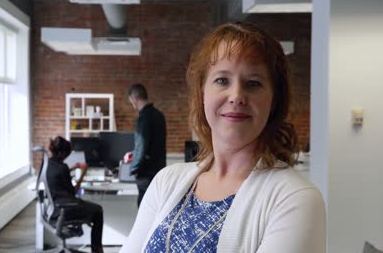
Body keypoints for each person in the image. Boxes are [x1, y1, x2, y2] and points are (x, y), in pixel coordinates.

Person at [121, 22, 326, 253]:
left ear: (274, 100)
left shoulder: (294, 199)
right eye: (222, 80)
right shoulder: (167, 182)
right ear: (202, 93)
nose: (237, 96)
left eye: (253, 83)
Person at [47, 136, 104, 253]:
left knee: (93, 208)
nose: (67, 157)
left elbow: (57, 174)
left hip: (53, 208)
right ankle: (97, 249)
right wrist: (83, 173)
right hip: (66, 209)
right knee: (98, 210)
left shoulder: (47, 163)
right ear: (62, 153)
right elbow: (73, 192)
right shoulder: (62, 167)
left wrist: (73, 168)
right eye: (67, 155)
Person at [127, 83, 167, 207]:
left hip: (145, 173)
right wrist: (133, 153)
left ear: (135, 98)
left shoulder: (143, 118)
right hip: (158, 170)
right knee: (155, 209)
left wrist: (133, 168)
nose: (133, 105)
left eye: (131, 102)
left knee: (144, 210)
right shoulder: (159, 115)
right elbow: (154, 145)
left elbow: (142, 146)